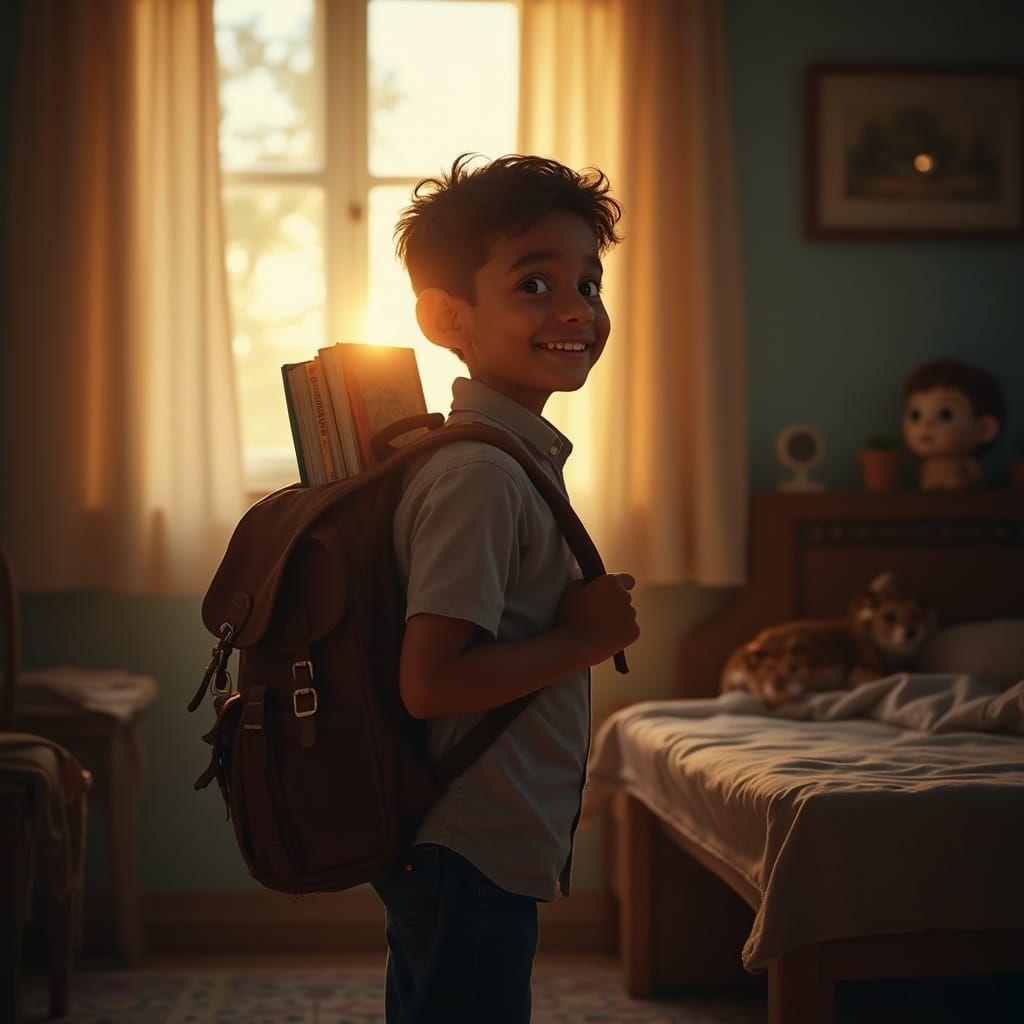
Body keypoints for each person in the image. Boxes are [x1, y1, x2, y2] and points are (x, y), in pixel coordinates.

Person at [373, 153, 641, 1023]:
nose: (576, 310)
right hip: (467, 843)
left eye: (588, 284)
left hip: (478, 841)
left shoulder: (513, 461)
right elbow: (431, 682)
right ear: (447, 316)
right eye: (535, 285)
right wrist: (584, 642)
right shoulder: (480, 479)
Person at [902, 358, 1006, 490]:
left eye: (945, 415)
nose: (926, 424)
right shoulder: (926, 467)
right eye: (915, 415)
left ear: (984, 429)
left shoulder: (965, 464)